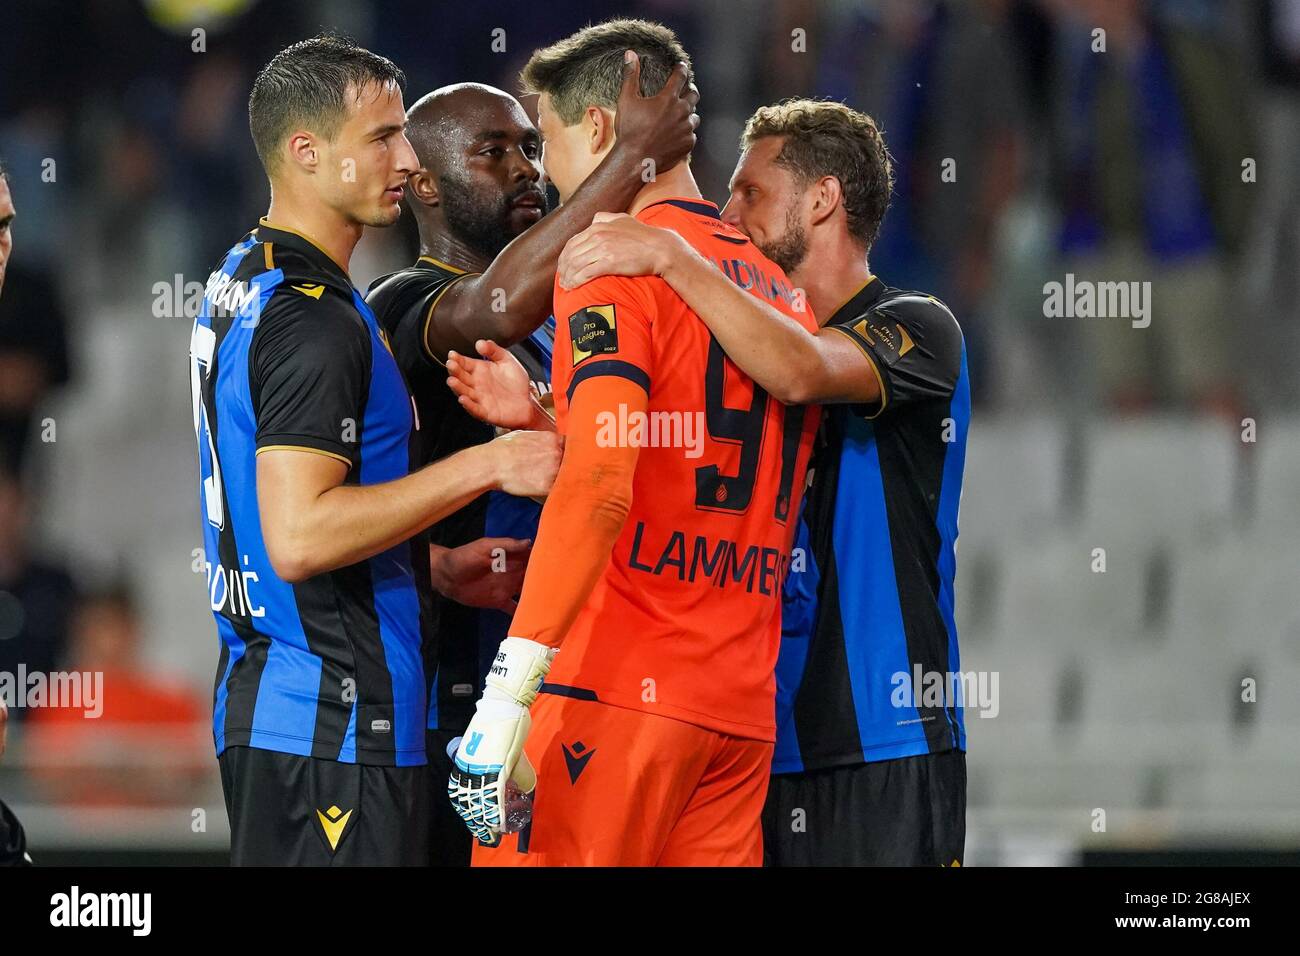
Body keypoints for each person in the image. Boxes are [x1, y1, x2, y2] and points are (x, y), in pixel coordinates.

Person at [446, 19, 819, 867]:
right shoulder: (776, 294)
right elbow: (684, 451)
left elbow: (604, 484)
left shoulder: (612, 260)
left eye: (547, 140)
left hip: (609, 693)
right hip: (735, 709)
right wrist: (553, 420)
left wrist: (509, 691)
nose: (544, 170)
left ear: (601, 132)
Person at [557, 98, 969, 865]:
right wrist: (553, 413)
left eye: (750, 190)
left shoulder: (918, 325)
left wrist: (673, 257)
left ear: (821, 200)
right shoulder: (737, 339)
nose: (726, 208)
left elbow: (803, 370)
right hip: (758, 732)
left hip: (881, 735)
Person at [191, 34, 561, 866]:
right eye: (383, 137)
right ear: (308, 152)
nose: (405, 157)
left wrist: (428, 566)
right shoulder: (314, 317)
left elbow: (270, 508)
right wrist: (492, 462)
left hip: (283, 706)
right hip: (336, 721)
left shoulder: (244, 276)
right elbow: (301, 535)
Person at [365, 58, 697, 865]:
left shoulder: (565, 317)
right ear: (427, 187)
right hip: (459, 693)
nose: (524, 169)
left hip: (563, 682)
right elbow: (493, 306)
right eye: (492, 152)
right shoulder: (406, 301)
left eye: (527, 146)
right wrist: (628, 163)